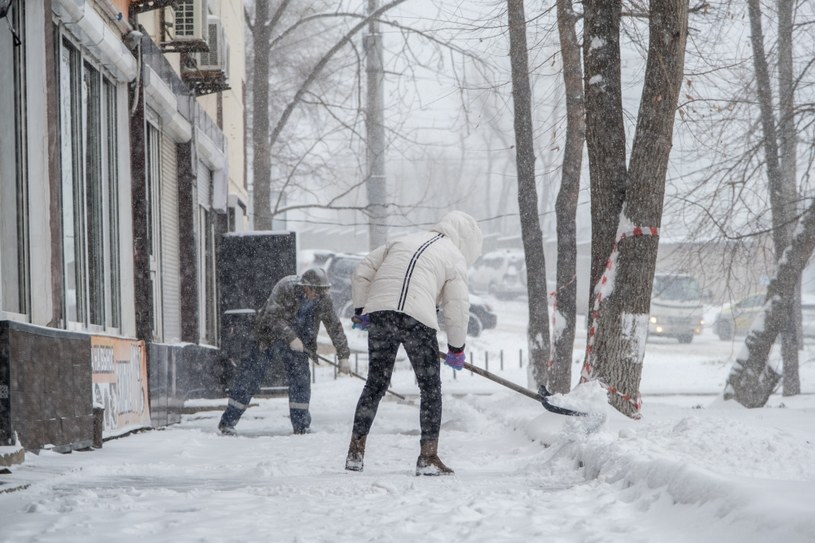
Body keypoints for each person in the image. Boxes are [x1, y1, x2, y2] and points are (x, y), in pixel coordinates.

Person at [344, 211, 483, 475]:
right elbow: (457, 309)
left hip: (382, 313)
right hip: (417, 319)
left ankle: (355, 452)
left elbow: (361, 271)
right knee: (430, 387)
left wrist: (362, 310)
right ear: (466, 240)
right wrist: (456, 349)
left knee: (375, 383)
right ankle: (428, 457)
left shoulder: (401, 240)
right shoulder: (453, 257)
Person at [218, 268, 352, 436]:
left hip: (299, 344)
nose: (318, 296)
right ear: (306, 287)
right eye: (315, 292)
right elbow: (271, 317)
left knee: (301, 380)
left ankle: (301, 426)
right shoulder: (285, 287)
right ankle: (227, 423)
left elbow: (334, 327)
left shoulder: (323, 299)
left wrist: (343, 356)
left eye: (322, 292)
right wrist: (290, 337)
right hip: (268, 339)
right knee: (251, 376)